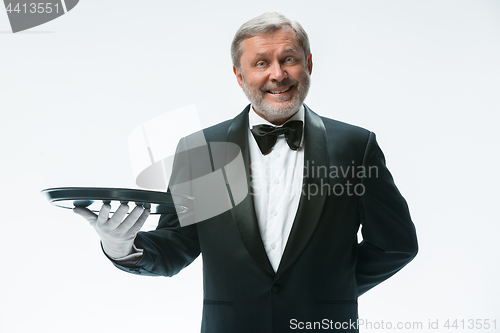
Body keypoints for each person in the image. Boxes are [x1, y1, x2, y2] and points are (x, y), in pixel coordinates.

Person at [74, 12, 418, 333]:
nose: (278, 74)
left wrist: (328, 290)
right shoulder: (202, 151)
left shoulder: (355, 146)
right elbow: (178, 244)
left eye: (289, 59)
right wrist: (121, 247)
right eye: (261, 63)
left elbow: (396, 244)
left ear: (309, 64)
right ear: (239, 75)